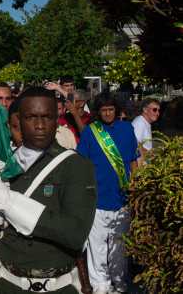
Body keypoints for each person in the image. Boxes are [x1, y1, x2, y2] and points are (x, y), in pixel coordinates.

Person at [0, 87, 97, 293]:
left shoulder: (76, 166)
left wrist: (10, 204)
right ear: (19, 120)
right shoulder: (5, 167)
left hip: (58, 287)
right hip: (8, 285)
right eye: (30, 117)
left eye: (47, 117)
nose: (39, 125)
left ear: (57, 120)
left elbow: (75, 233)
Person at [77, 93, 139, 294]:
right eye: (103, 110)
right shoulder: (90, 132)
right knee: (97, 247)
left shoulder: (127, 129)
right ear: (97, 112)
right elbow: (82, 164)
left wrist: (136, 188)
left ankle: (119, 283)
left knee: (119, 248)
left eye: (111, 109)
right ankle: (100, 286)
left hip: (122, 200)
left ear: (117, 110)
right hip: (97, 199)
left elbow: (133, 161)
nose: (107, 113)